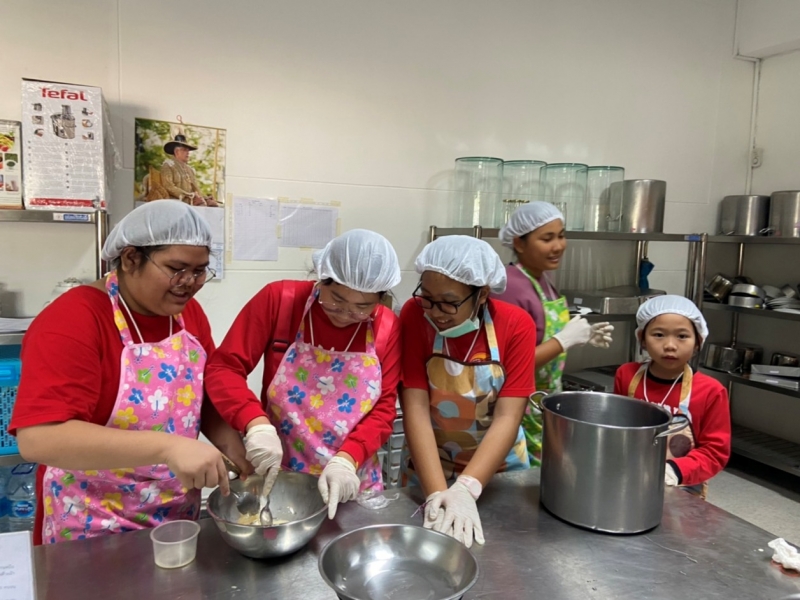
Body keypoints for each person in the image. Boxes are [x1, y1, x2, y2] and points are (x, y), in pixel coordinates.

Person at [9, 201, 247, 545]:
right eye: (176, 269)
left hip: (174, 518)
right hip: (90, 524)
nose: (189, 283)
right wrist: (168, 448)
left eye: (199, 271)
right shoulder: (73, 319)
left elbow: (203, 398)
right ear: (131, 258)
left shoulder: (187, 315)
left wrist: (238, 451)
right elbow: (39, 438)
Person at [205, 229, 402, 519]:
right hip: (283, 483)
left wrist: (347, 460)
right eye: (336, 300)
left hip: (351, 481)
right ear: (321, 277)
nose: (345, 315)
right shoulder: (281, 301)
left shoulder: (385, 327)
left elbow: (383, 408)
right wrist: (255, 424)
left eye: (362, 307)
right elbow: (224, 368)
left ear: (380, 298)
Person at [400, 235, 534, 548]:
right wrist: (437, 494)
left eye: (449, 302)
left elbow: (508, 417)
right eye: (427, 297)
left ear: (482, 293)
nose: (436, 312)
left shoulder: (515, 325)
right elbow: (415, 408)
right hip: (431, 465)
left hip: (498, 473)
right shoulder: (414, 315)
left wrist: (466, 488)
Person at [494, 201, 614, 465]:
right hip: (517, 408)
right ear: (519, 243)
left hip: (541, 402)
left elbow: (541, 340)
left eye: (561, 235)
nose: (558, 246)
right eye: (547, 238)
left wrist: (582, 336)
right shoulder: (511, 286)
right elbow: (505, 366)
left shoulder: (542, 280)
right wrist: (563, 341)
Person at [614, 295, 731, 498]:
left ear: (698, 342)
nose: (670, 345)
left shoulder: (711, 391)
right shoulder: (626, 375)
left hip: (681, 485)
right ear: (642, 338)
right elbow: (614, 427)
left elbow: (715, 452)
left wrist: (675, 470)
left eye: (682, 336)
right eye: (658, 335)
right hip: (626, 477)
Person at [160, 133, 218, 207]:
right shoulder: (168, 165)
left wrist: (206, 198)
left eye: (188, 150)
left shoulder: (190, 170)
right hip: (175, 203)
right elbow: (168, 186)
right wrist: (190, 196)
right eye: (184, 150)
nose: (188, 153)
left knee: (213, 205)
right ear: (176, 152)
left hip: (191, 202)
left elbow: (196, 189)